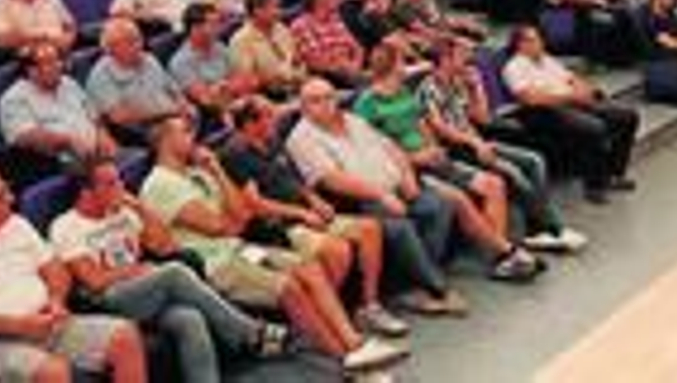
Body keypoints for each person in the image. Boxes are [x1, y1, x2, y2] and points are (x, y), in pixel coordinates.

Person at [141, 113, 409, 373]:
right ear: (165, 141)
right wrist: (229, 219)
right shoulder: (160, 184)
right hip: (215, 264)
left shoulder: (198, 173)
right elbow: (218, 225)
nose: (193, 137)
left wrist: (216, 169)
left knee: (309, 267)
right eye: (185, 132)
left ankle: (353, 341)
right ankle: (345, 358)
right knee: (290, 286)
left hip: (240, 248)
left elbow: (242, 215)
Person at [49, 156, 289, 382]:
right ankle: (248, 332)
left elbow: (165, 245)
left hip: (146, 290)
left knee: (189, 319)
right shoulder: (66, 226)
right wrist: (138, 270)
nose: (121, 187)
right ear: (86, 192)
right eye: (111, 183)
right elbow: (94, 281)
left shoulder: (122, 212)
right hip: (109, 301)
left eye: (120, 179)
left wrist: (140, 209)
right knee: (173, 272)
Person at [0, 161, 146, 381]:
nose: (11, 198)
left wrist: (56, 301)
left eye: (7, 189)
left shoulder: (17, 225)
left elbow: (55, 270)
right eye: (0, 196)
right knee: (53, 373)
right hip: (1, 339)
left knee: (125, 336)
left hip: (49, 321)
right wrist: (20, 326)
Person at [219, 96, 410, 338]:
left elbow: (297, 181)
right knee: (337, 250)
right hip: (280, 224)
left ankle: (368, 307)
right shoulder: (234, 155)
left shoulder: (274, 142)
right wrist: (303, 213)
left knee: (370, 229)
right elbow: (255, 204)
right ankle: (324, 318)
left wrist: (315, 201)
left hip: (307, 211)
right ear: (249, 124)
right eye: (268, 114)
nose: (276, 117)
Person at [353, 46, 543, 281]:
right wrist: (415, 157)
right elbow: (373, 148)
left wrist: (433, 147)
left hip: (431, 156)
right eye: (402, 62)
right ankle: (506, 252)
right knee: (458, 198)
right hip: (407, 169)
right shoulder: (366, 103)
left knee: (494, 185)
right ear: (392, 66)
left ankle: (499, 258)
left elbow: (421, 124)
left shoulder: (403, 92)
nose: (406, 67)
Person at [285, 78, 468, 316]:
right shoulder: (302, 138)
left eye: (329, 97)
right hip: (359, 202)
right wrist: (380, 194)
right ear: (303, 106)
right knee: (400, 228)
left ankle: (412, 284)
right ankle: (437, 287)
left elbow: (390, 146)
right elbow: (330, 180)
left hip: (397, 187)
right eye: (315, 101)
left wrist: (407, 176)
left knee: (440, 205)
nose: (326, 104)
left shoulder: (353, 121)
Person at [419, 38, 588, 252]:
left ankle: (538, 229)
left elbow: (482, 118)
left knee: (534, 161)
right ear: (444, 60)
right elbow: (441, 128)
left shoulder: (457, 82)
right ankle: (551, 228)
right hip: (455, 149)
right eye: (460, 56)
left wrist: (476, 88)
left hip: (475, 141)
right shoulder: (427, 89)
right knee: (513, 173)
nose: (466, 60)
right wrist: (476, 143)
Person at [502, 25, 639, 204]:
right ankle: (595, 186)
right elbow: (529, 99)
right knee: (594, 128)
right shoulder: (514, 67)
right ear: (520, 44)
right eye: (533, 40)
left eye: (539, 39)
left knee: (628, 117)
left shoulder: (547, 60)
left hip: (572, 102)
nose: (540, 44)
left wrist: (585, 91)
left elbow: (571, 78)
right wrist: (570, 96)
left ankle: (614, 173)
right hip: (544, 111)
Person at [0, 43, 118, 164]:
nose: (58, 66)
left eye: (58, 60)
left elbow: (93, 116)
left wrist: (104, 136)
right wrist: (67, 141)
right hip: (60, 162)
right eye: (49, 63)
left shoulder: (68, 83)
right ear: (31, 70)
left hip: (99, 153)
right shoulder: (13, 99)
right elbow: (25, 137)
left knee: (135, 158)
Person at [86, 16, 188, 138]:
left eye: (139, 39)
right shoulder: (101, 75)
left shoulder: (149, 59)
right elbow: (120, 116)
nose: (139, 45)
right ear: (111, 48)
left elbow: (172, 88)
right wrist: (170, 111)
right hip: (140, 128)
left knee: (189, 121)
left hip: (171, 116)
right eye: (130, 42)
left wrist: (184, 104)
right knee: (177, 129)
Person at [228, 0, 307, 97]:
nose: (278, 12)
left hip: (297, 86)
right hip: (267, 93)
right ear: (257, 11)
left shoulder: (281, 29)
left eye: (278, 7)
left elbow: (296, 58)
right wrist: (278, 76)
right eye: (273, 7)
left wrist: (298, 72)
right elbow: (248, 81)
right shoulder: (241, 40)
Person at [289, 0, 368, 86]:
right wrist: (341, 67)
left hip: (350, 71)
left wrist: (355, 66)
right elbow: (314, 61)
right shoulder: (301, 25)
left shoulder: (335, 19)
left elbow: (358, 48)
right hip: (327, 77)